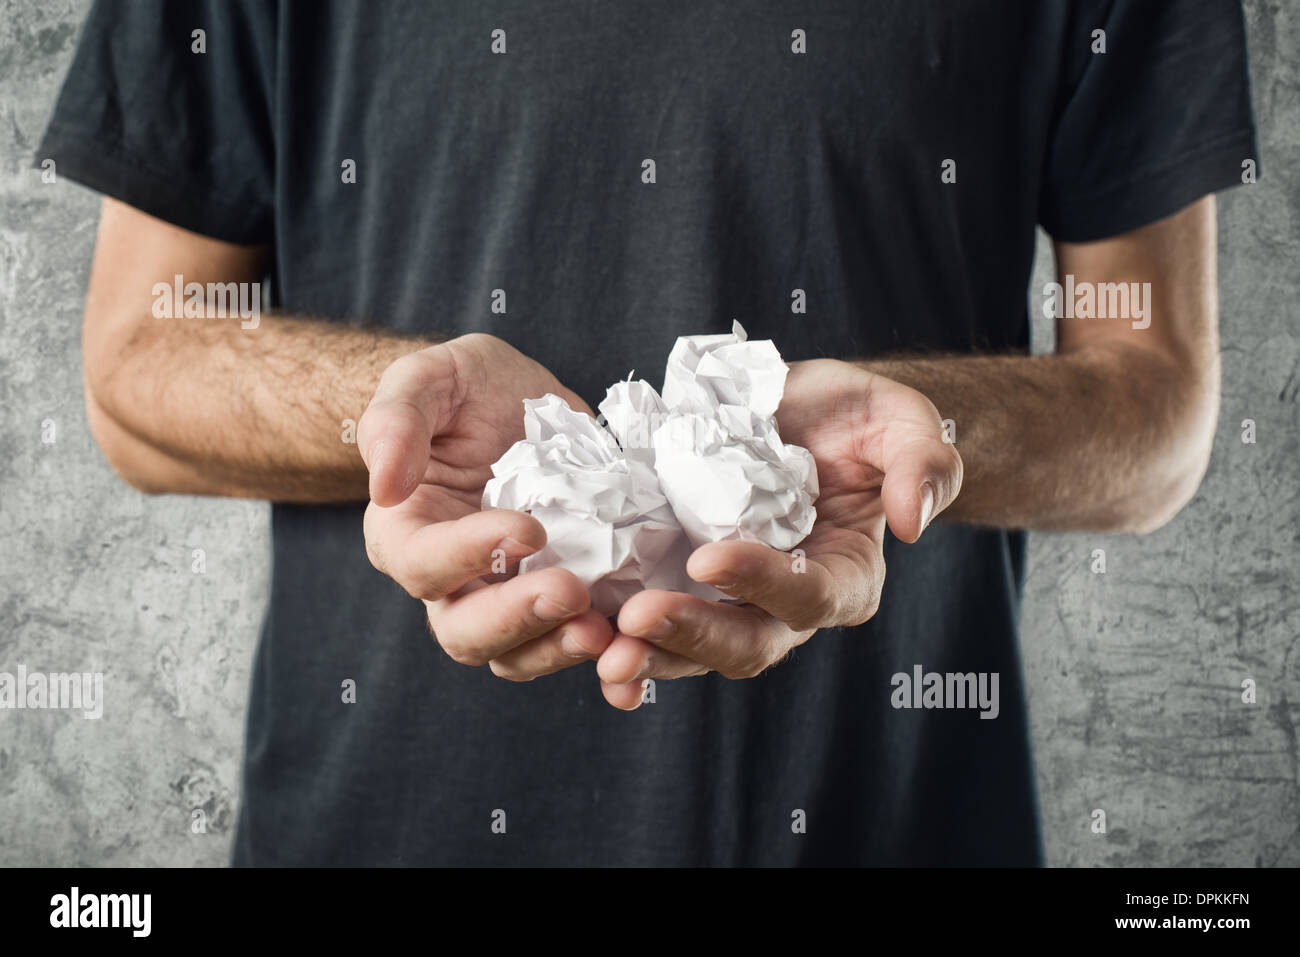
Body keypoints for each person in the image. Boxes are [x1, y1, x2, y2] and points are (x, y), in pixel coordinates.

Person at [40, 0, 1256, 865]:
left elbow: (1155, 405)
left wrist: (929, 432)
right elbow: (137, 366)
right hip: (380, 828)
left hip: (886, 824)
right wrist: (398, 412)